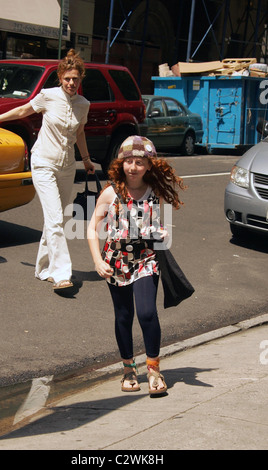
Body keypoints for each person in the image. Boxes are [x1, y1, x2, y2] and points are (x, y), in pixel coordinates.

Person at [0, 49, 95, 293]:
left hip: (67, 167)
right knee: (54, 219)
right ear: (60, 77)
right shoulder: (48, 96)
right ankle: (62, 274)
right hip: (43, 162)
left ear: (80, 79)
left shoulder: (83, 105)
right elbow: (23, 110)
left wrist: (86, 160)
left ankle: (43, 268)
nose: (71, 83)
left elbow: (80, 133)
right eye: (67, 78)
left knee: (58, 220)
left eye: (75, 79)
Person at [88, 135, 184, 396]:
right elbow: (91, 228)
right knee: (123, 315)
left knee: (146, 313)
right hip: (116, 262)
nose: (133, 167)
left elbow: (160, 225)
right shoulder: (110, 193)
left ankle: (153, 368)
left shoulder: (156, 193)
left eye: (139, 162)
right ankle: (128, 368)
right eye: (128, 161)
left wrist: (163, 234)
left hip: (146, 259)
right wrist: (97, 260)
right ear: (121, 164)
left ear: (149, 165)